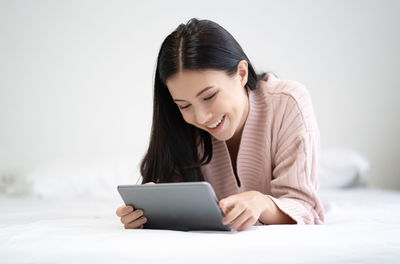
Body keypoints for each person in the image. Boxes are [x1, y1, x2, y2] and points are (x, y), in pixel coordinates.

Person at [116, 18, 325, 231]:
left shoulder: (287, 102)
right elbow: (176, 200)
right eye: (184, 105)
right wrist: (147, 210)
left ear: (242, 73)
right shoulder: (181, 124)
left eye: (209, 96)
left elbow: (306, 208)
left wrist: (261, 203)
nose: (200, 117)